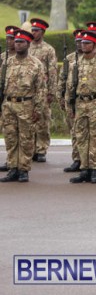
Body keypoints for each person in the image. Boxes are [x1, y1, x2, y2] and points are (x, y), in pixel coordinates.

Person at [66, 31, 96, 184]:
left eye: (87, 43)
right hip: (80, 103)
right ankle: (84, 169)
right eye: (82, 43)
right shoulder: (75, 64)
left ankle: (94, 170)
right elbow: (70, 87)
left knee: (95, 137)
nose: (83, 45)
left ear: (95, 45)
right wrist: (69, 106)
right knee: (81, 137)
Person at [0, 30, 45, 183]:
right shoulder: (7, 63)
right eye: (16, 42)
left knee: (26, 139)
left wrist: (38, 109)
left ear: (28, 44)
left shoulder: (36, 64)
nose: (17, 44)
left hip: (26, 105)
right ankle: (13, 168)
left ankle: (23, 169)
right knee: (11, 138)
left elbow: (41, 89)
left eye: (21, 42)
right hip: (9, 105)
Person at [28, 18, 57, 163]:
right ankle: (30, 148)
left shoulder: (48, 49)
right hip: (27, 90)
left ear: (43, 32)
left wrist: (51, 91)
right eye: (32, 30)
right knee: (28, 119)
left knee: (42, 120)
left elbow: (52, 71)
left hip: (43, 89)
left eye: (36, 31)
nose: (34, 33)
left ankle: (41, 149)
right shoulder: (26, 46)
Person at [59, 30, 84, 173]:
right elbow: (62, 79)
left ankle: (88, 161)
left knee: (86, 133)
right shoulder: (68, 59)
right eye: (77, 42)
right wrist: (61, 98)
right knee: (74, 132)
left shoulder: (95, 60)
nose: (79, 44)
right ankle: (77, 159)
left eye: (82, 42)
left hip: (87, 101)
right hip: (71, 100)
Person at [0, 25, 18, 172]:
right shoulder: (2, 57)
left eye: (12, 39)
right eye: (7, 39)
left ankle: (19, 164)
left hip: (20, 100)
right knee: (8, 133)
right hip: (5, 99)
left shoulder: (24, 58)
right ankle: (11, 161)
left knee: (20, 134)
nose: (9, 41)